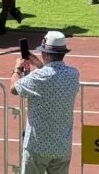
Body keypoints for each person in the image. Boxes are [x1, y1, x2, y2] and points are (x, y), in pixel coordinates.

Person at [11, 30, 80, 174]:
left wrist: (17, 69)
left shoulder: (38, 77)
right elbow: (52, 76)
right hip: (62, 146)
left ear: (46, 53)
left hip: (38, 145)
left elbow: (14, 88)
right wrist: (38, 64)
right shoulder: (73, 74)